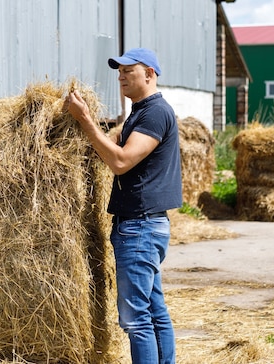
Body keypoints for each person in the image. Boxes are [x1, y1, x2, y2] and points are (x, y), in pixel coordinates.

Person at [65, 47, 182, 364]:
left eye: (129, 70)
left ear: (149, 74)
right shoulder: (140, 113)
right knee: (154, 311)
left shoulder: (155, 113)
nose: (121, 76)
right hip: (141, 226)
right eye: (119, 71)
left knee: (135, 319)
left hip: (140, 228)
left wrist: (86, 119)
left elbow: (120, 161)